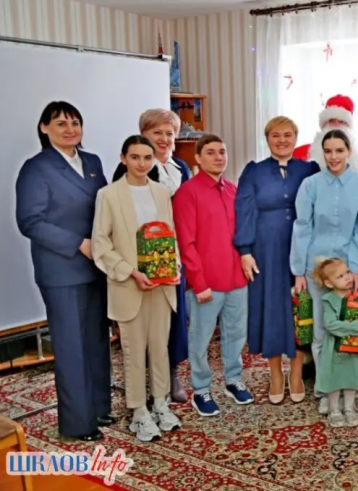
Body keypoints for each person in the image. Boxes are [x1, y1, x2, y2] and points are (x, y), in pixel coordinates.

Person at [15, 101, 112, 442]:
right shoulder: (36, 168)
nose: (70, 129)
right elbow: (30, 221)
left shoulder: (93, 162)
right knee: (71, 346)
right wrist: (77, 243)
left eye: (75, 123)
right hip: (62, 270)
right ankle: (77, 423)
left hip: (97, 265)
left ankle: (100, 407)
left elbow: (106, 205)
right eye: (60, 123)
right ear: (44, 128)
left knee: (97, 341)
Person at [92, 136, 183, 442]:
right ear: (124, 158)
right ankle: (138, 413)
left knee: (159, 348)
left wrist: (174, 267)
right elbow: (101, 244)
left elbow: (170, 235)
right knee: (133, 352)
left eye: (147, 157)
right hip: (128, 284)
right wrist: (130, 272)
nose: (142, 163)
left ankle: (160, 404)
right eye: (135, 157)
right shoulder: (108, 195)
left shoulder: (161, 192)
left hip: (162, 285)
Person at [234, 116, 320, 405]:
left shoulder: (309, 170)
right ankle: (275, 374)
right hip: (265, 251)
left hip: (302, 248)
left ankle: (296, 373)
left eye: (287, 135)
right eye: (275, 135)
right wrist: (245, 251)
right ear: (267, 139)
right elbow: (244, 210)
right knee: (271, 309)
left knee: (300, 307)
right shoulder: (253, 171)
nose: (282, 140)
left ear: (296, 138)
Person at [291, 129, 358, 415]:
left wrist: (356, 269)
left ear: (349, 151)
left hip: (347, 270)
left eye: (339, 150)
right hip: (315, 269)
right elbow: (302, 227)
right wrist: (298, 271)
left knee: (349, 329)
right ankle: (325, 390)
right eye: (328, 151)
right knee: (321, 332)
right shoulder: (310, 185)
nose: (333, 156)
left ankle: (350, 386)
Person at [110, 108, 192, 403]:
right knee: (144, 322)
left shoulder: (182, 167)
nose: (164, 138)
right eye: (157, 132)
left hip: (176, 253)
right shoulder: (130, 168)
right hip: (143, 254)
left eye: (169, 133)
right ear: (143, 135)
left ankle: (172, 374)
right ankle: (145, 382)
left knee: (175, 317)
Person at [173, 134, 253, 417]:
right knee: (201, 337)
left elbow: (243, 233)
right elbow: (186, 242)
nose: (218, 157)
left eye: (222, 151)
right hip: (206, 282)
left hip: (237, 279)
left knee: (236, 333)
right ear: (197, 157)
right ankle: (201, 389)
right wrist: (198, 282)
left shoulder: (233, 190)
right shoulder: (187, 192)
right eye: (210, 152)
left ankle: (233, 379)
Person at [312, 257, 358, 428]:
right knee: (335, 379)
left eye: (348, 272)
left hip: (356, 349)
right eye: (340, 276)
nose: (348, 277)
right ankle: (334, 409)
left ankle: (349, 408)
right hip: (335, 350)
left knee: (351, 378)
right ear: (329, 283)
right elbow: (330, 324)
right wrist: (355, 327)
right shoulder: (329, 300)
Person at [293, 94, 358, 176]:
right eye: (331, 121)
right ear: (323, 125)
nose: (336, 126)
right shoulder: (298, 154)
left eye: (342, 122)